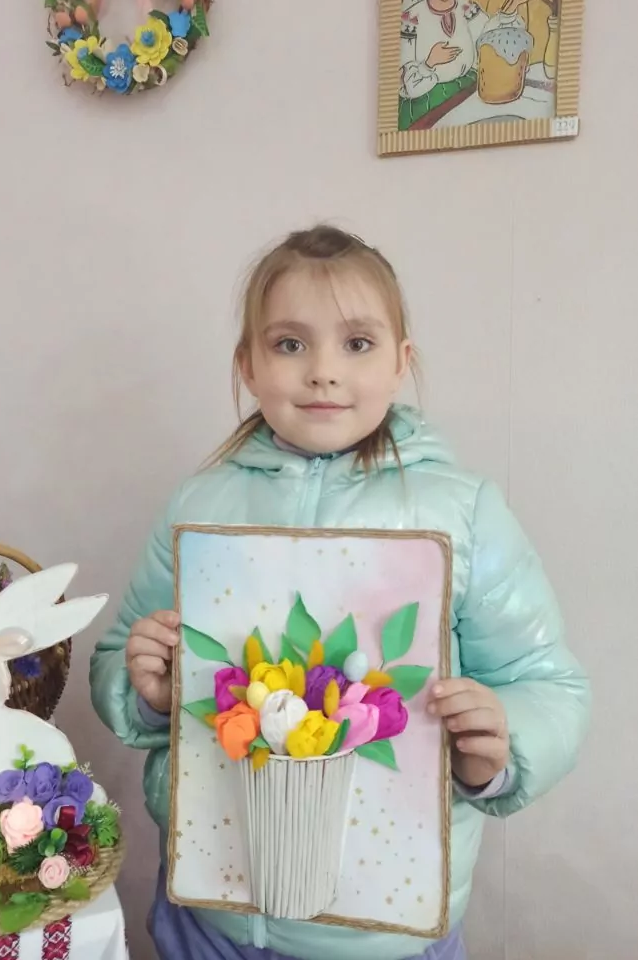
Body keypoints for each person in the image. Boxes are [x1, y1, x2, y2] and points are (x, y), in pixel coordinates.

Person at [90, 225, 589, 960]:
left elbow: (546, 682)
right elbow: (119, 654)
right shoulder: (198, 505)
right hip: (212, 915)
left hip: (384, 932)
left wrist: (499, 747)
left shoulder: (461, 512)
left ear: (400, 363)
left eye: (357, 343)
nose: (323, 372)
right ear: (248, 365)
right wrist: (149, 692)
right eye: (290, 344)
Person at [399, 0, 541, 129]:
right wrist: (429, 63)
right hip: (425, 103)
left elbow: (489, 38)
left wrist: (511, 6)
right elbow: (404, 84)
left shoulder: (467, 9)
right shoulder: (412, 18)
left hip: (464, 90)